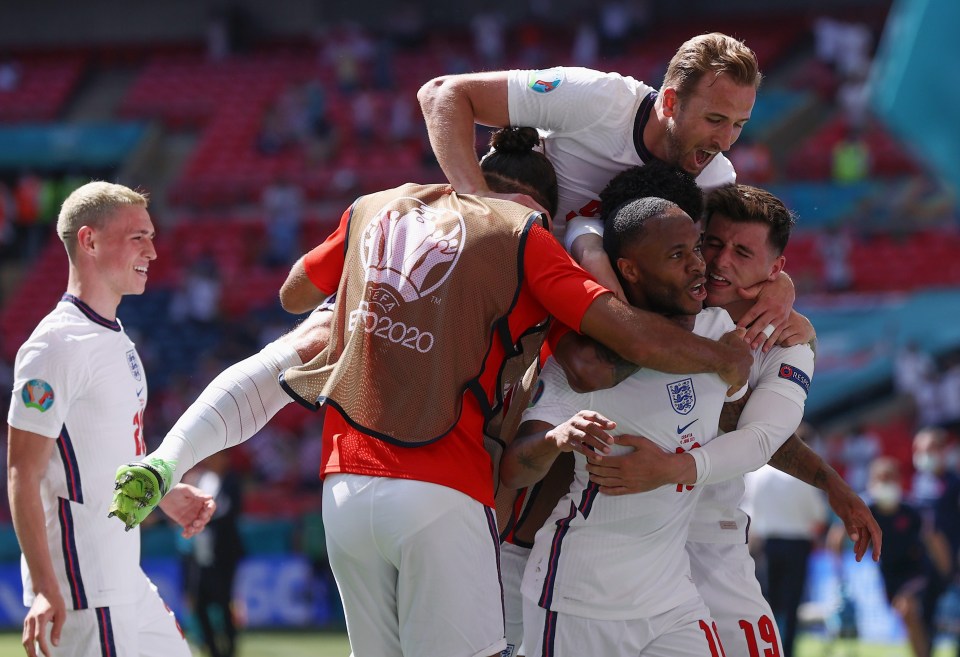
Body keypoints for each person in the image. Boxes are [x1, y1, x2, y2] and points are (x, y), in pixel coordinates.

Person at [111, 128, 752, 657]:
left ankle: (168, 458)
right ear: (542, 207)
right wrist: (722, 356)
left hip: (343, 489)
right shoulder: (526, 238)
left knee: (309, 340)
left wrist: (374, 308)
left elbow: (293, 294)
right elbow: (613, 344)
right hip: (440, 487)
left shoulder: (377, 205)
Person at [556, 182, 881, 656]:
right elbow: (586, 226)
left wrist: (828, 481)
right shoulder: (656, 297)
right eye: (714, 243)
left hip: (709, 531)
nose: (720, 261)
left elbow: (762, 435)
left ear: (775, 270)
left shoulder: (790, 339)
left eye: (743, 252)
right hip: (614, 535)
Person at [418, 32, 792, 349]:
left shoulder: (713, 177)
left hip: (578, 303)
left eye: (738, 125)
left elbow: (726, 259)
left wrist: (780, 286)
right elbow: (441, 94)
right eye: (715, 120)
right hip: (496, 266)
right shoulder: (598, 99)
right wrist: (480, 200)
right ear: (670, 101)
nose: (725, 142)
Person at [501, 194, 746, 656]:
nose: (698, 266)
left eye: (696, 249)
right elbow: (515, 470)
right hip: (578, 595)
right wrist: (556, 439)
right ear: (630, 270)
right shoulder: (585, 362)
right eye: (677, 255)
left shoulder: (719, 330)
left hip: (671, 596)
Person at [6, 181, 215, 657]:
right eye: (137, 236)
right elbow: (23, 473)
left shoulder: (117, 337)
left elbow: (105, 450)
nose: (153, 251)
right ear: (89, 240)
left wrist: (162, 490)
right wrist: (44, 587)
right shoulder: (54, 346)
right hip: (82, 588)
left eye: (152, 235)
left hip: (125, 577)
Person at [744, 464, 827, 657]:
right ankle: (785, 652)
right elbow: (818, 514)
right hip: (796, 546)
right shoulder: (804, 473)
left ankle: (764, 650)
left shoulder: (757, 473)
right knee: (791, 606)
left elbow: (749, 511)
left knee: (766, 602)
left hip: (766, 544)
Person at [182, 450, 245, 657]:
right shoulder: (199, 479)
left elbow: (231, 512)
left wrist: (202, 520)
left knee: (224, 601)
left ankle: (230, 649)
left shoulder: (232, 481)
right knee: (199, 603)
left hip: (223, 554)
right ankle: (212, 649)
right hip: (199, 553)